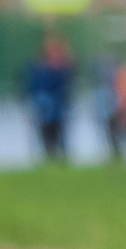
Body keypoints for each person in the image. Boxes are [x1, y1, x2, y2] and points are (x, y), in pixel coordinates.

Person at [21, 33, 75, 163]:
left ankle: (59, 153)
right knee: (45, 128)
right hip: (45, 103)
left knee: (57, 127)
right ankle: (50, 153)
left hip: (56, 103)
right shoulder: (38, 68)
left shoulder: (60, 68)